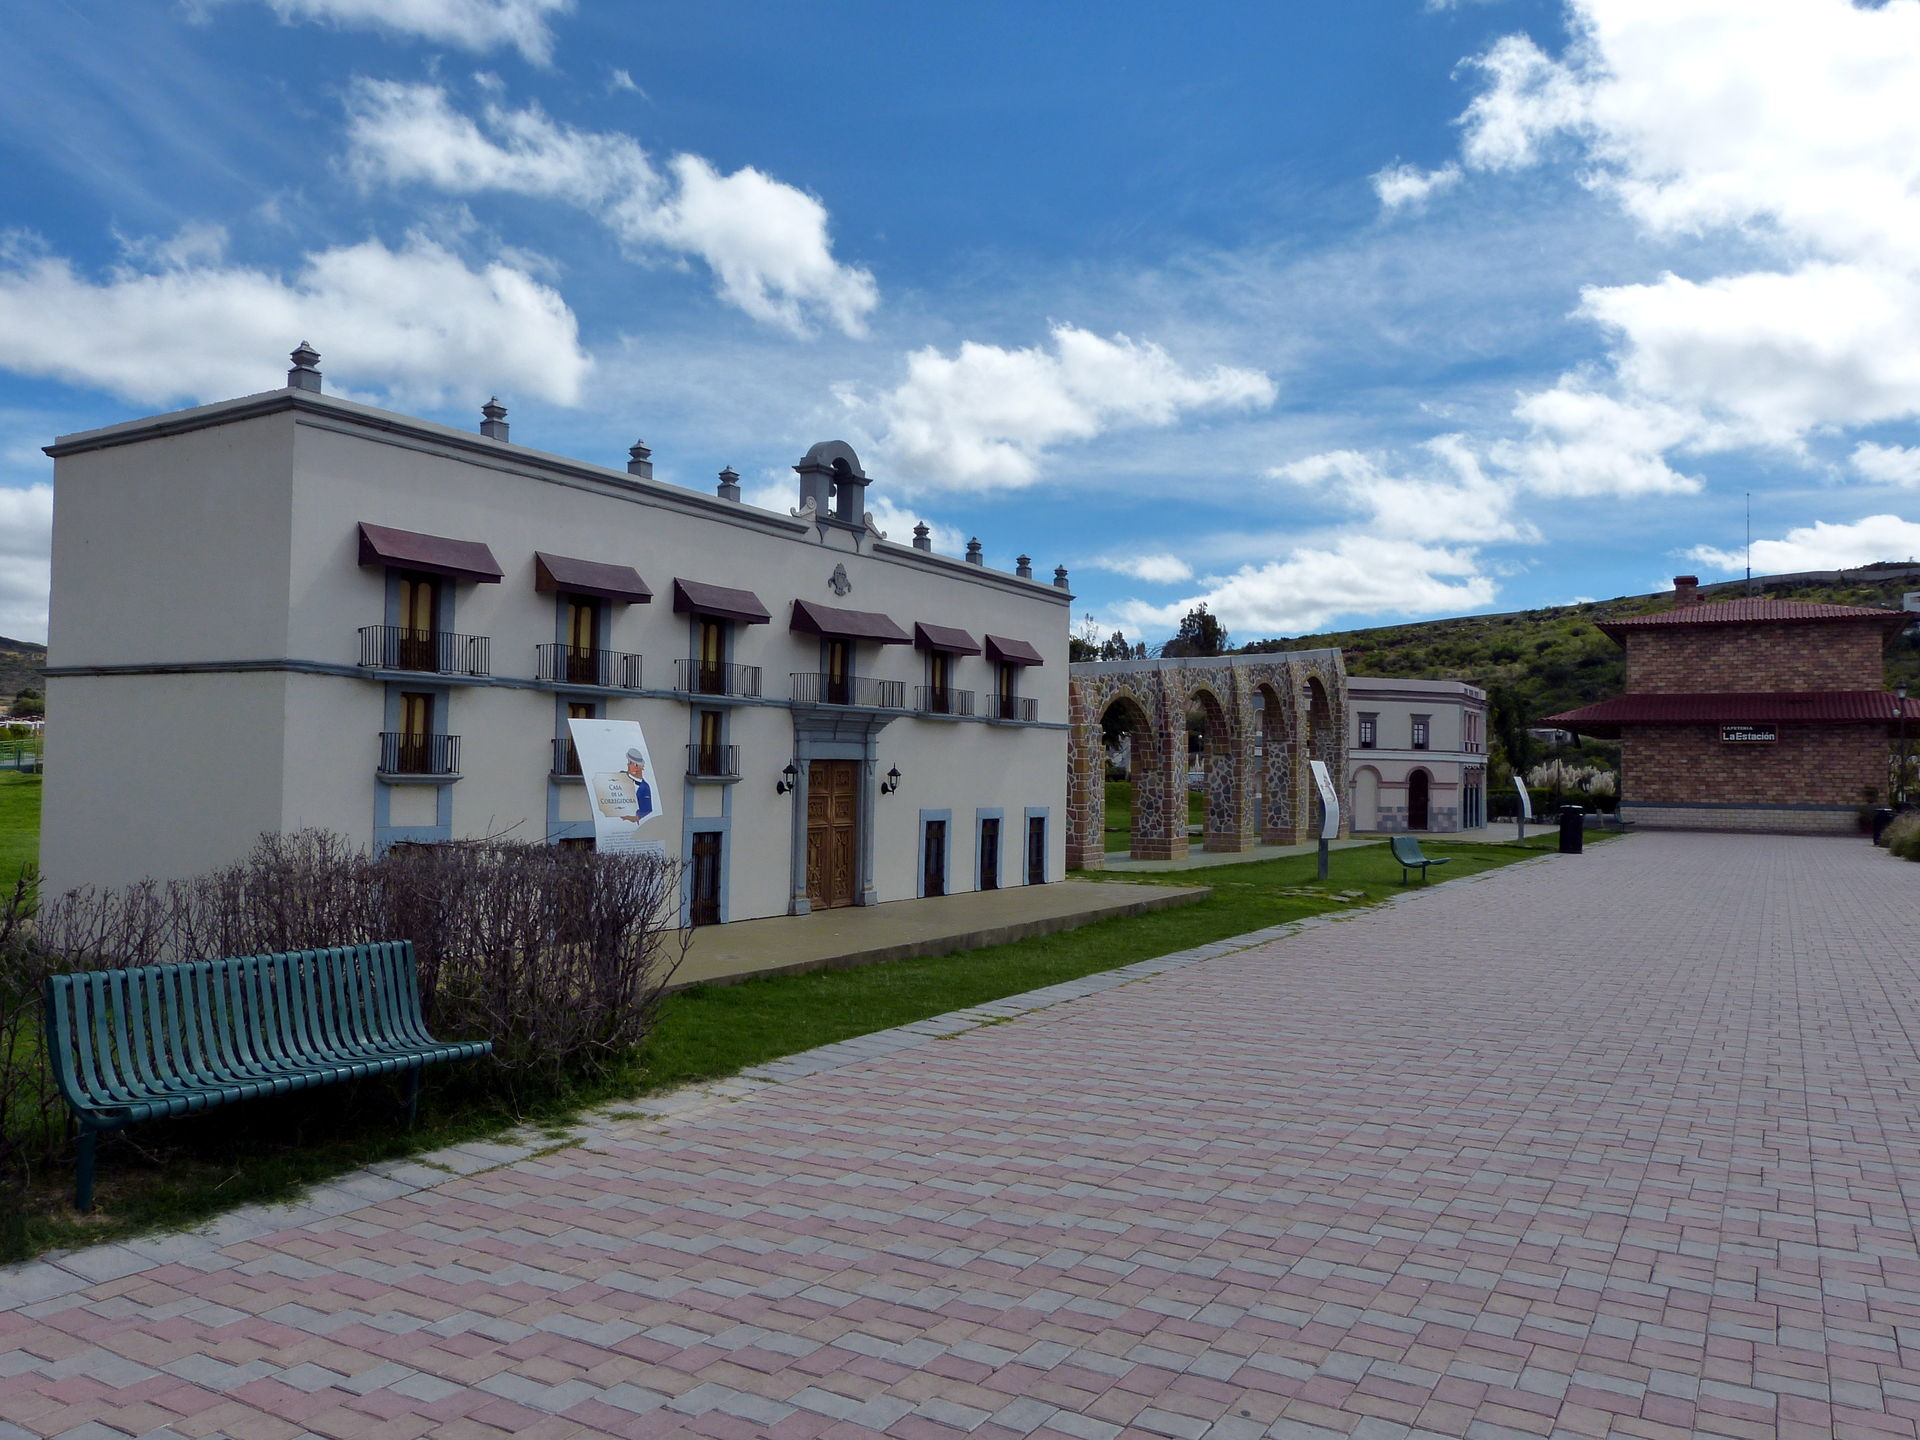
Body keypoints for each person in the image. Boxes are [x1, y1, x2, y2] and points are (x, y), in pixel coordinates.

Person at [620, 748, 655, 822]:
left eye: (630, 763)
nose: (628, 765)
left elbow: (647, 809)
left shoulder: (645, 787)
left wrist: (633, 817)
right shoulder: (620, 776)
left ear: (637, 766)